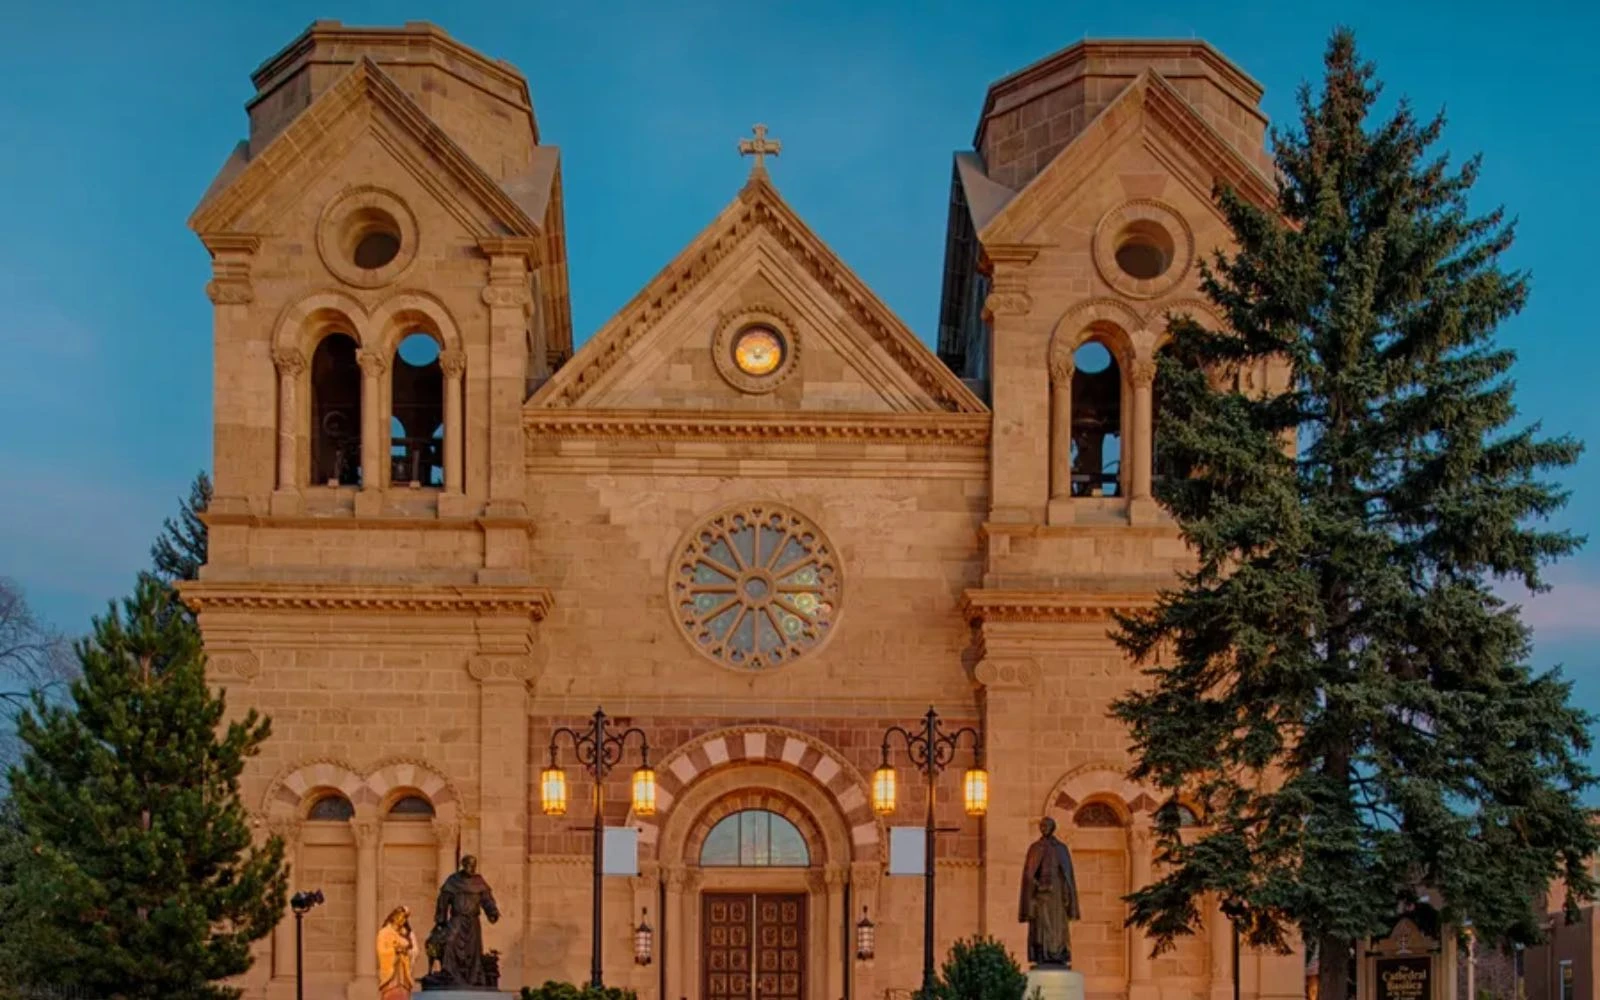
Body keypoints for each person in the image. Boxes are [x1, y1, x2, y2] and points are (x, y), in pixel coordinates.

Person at [427, 855, 500, 987]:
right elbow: (443, 900)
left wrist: (492, 912)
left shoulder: (479, 881)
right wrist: (441, 920)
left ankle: (474, 977)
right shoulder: (453, 881)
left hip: (473, 921)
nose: (471, 869)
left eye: (473, 866)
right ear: (463, 864)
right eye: (469, 865)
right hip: (457, 919)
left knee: (474, 950)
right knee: (450, 941)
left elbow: (487, 899)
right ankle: (449, 973)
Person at [1019, 816, 1082, 967]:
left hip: (1058, 894)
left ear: (1053, 827)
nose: (1044, 828)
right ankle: (1042, 954)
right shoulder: (1035, 848)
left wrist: (1067, 894)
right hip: (1041, 895)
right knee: (1042, 926)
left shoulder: (1061, 848)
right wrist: (1037, 886)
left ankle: (1059, 954)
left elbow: (1067, 875)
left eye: (1047, 825)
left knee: (1058, 926)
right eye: (1042, 826)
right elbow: (1029, 874)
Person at [376, 906, 419, 1000]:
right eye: (401, 918)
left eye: (404, 919)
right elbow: (382, 951)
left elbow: (411, 949)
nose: (402, 921)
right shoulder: (384, 933)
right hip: (391, 976)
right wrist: (395, 951)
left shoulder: (403, 935)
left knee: (403, 994)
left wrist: (406, 951)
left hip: (403, 976)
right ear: (394, 917)